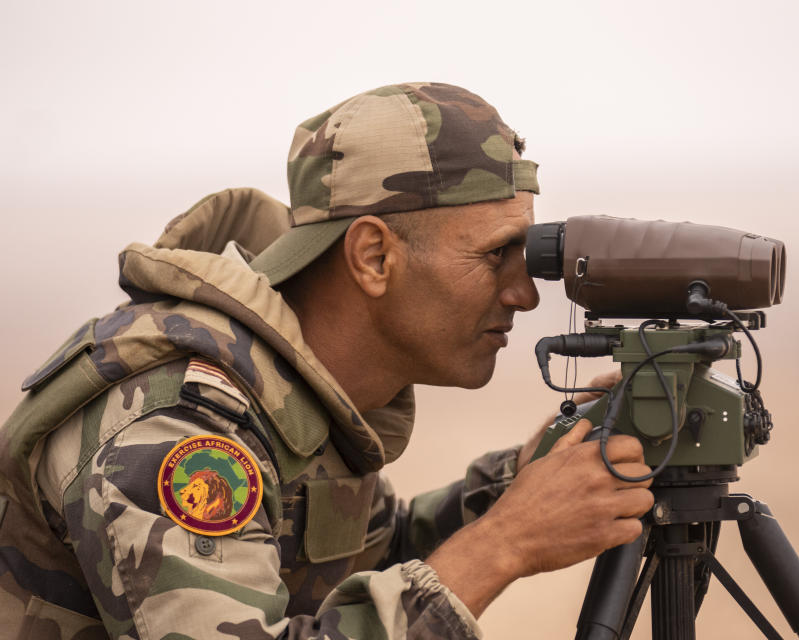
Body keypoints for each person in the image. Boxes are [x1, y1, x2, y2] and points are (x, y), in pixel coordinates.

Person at [0, 82, 654, 640]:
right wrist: (506, 542)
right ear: (374, 258)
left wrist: (519, 484)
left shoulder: (300, 392)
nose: (525, 293)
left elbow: (356, 564)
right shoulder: (176, 424)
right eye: (493, 257)